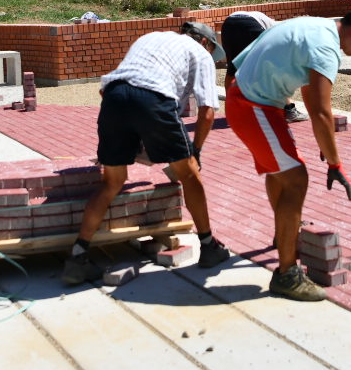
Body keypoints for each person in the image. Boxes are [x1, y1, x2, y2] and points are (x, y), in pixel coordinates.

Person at [225, 4, 351, 301]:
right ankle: (287, 275)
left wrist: (326, 149)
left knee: (282, 172)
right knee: (296, 178)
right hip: (253, 105)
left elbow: (307, 92)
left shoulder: (317, 26)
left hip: (250, 99)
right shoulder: (327, 47)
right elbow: (321, 112)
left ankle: (284, 233)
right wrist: (335, 163)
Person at [63, 20, 230, 285]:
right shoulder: (200, 53)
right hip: (154, 98)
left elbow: (121, 88)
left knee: (112, 182)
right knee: (190, 176)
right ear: (206, 43)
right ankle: (209, 246)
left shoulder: (150, 38)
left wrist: (137, 138)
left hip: (113, 97)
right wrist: (194, 152)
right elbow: (207, 112)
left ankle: (78, 257)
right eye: (212, 51)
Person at [220, 10, 306, 123]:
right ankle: (289, 111)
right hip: (249, 24)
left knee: (232, 68)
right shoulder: (286, 32)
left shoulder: (277, 25)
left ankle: (232, 111)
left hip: (229, 24)